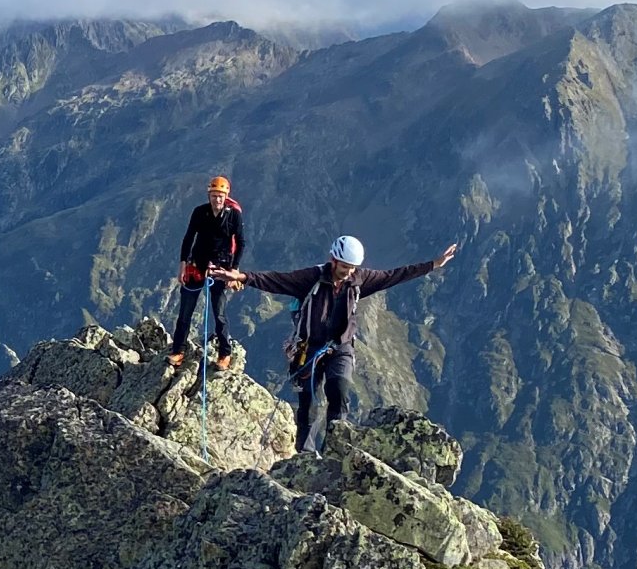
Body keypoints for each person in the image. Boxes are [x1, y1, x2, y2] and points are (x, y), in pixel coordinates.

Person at [212, 235, 458, 453]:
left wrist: (433, 265)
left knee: (338, 388)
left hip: (341, 347)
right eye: (345, 266)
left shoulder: (360, 280)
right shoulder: (311, 278)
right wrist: (243, 277)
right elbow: (277, 280)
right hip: (308, 347)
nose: (348, 271)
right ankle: (305, 453)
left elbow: (394, 276)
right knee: (307, 400)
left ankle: (334, 447)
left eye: (352, 267)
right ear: (333, 260)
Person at [171, 176, 245, 369]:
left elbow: (241, 242)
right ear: (209, 195)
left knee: (219, 313)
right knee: (185, 312)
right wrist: (182, 265)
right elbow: (188, 238)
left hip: (220, 268)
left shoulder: (233, 216)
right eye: (214, 195)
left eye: (220, 196)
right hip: (197, 265)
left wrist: (234, 270)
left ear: (226, 196)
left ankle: (224, 354)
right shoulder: (200, 212)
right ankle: (177, 351)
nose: (217, 199)